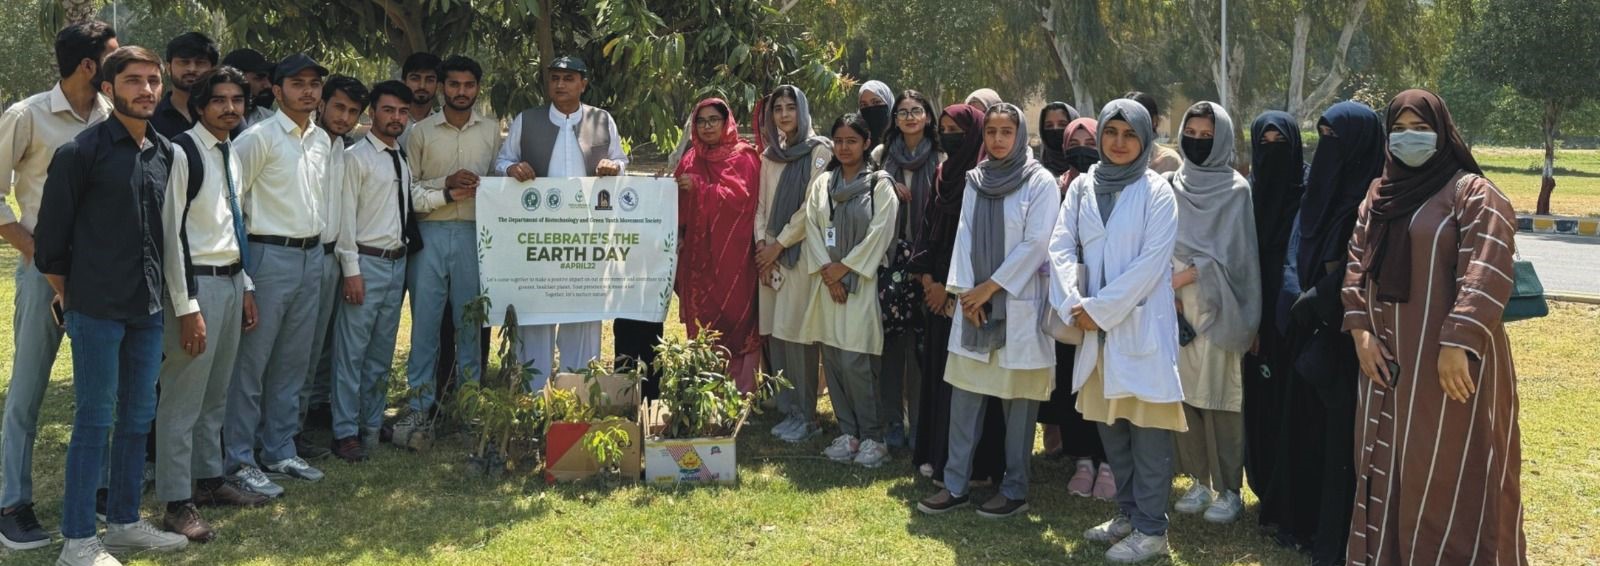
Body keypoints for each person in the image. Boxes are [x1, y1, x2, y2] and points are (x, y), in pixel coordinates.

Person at [1343, 89, 1527, 566]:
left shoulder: (1471, 193)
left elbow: (1487, 268)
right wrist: (1360, 331)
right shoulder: (1378, 195)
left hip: (1449, 368)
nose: (1409, 138)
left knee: (1450, 472)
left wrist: (1459, 341)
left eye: (1420, 128)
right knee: (1389, 469)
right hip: (1386, 365)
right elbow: (1356, 266)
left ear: (1443, 133)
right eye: (1399, 129)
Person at [35, 45, 193, 566]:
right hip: (95, 310)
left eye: (153, 80)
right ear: (108, 88)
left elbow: (168, 236)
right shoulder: (78, 154)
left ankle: (124, 524)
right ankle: (78, 540)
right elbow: (50, 247)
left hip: (146, 311)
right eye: (133, 81)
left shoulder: (165, 153)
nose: (146, 89)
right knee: (95, 419)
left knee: (137, 415)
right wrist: (72, 298)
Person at [0, 20, 116, 551]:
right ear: (89, 65)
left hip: (101, 278)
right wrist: (40, 256)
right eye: (114, 58)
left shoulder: (111, 116)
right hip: (42, 276)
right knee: (27, 391)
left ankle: (97, 493)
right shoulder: (27, 116)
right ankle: (12, 504)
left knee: (100, 390)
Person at [1053, 99, 1182, 563]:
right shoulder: (1083, 188)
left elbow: (1151, 266)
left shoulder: (1158, 191)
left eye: (1130, 135)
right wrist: (1073, 301)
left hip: (1139, 327)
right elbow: (1062, 244)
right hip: (1096, 328)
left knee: (1147, 433)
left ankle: (1152, 531)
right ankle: (1128, 514)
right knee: (1112, 428)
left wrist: (1099, 310)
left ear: (1145, 139)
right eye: (1112, 133)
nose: (1119, 143)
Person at [916, 103, 1057, 520]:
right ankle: (955, 483)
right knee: (965, 398)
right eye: (991, 131)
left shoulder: (1040, 182)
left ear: (1020, 135)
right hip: (974, 306)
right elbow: (964, 238)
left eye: (1005, 131)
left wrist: (989, 290)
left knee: (1019, 405)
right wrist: (965, 294)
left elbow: (1036, 245)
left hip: (1018, 304)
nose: (997, 139)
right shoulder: (975, 180)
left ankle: (1015, 489)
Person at [155, 66, 273, 544]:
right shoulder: (183, 151)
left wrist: (244, 284)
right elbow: (171, 233)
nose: (230, 107)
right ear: (200, 105)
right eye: (219, 100)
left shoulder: (230, 151)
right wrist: (186, 307)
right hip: (195, 286)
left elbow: (233, 222)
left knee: (215, 394)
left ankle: (207, 481)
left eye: (237, 99)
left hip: (228, 280)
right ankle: (175, 501)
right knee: (182, 399)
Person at [1273, 100, 1384, 565]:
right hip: (1308, 329)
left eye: (1337, 138)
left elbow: (1368, 262)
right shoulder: (1317, 189)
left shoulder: (1378, 196)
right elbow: (1299, 245)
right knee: (1307, 430)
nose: (1328, 148)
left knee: (1343, 441)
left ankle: (1335, 538)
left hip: (1350, 334)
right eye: (1323, 136)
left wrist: (1322, 295)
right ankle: (1299, 521)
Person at [224, 53, 333, 498]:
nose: (308, 91)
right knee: (252, 364)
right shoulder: (257, 138)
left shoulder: (322, 139)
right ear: (278, 87)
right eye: (298, 83)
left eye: (314, 84)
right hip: (268, 256)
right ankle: (239, 458)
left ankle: (280, 447)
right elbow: (232, 206)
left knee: (293, 360)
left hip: (311, 256)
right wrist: (246, 277)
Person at [492, 55, 626, 386]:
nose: (560, 84)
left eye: (568, 78)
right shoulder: (527, 119)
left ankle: (576, 397)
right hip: (539, 240)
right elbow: (502, 161)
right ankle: (532, 398)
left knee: (582, 315)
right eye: (554, 78)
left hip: (585, 239)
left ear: (583, 83)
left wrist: (614, 167)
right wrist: (511, 168)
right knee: (535, 313)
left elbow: (623, 161)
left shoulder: (602, 119)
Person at [1164, 101, 1259, 525]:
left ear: (1220, 139)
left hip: (1220, 308)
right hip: (1174, 309)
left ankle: (1229, 489)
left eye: (1207, 136)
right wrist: (1170, 289)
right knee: (1185, 398)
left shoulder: (1236, 190)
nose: (1198, 142)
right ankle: (1198, 480)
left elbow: (1239, 259)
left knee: (1222, 401)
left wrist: (1189, 276)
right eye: (1192, 133)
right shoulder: (1171, 184)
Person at [395, 55, 496, 443]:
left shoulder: (490, 131)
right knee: (425, 324)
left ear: (477, 88)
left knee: (469, 323)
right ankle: (420, 406)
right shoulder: (421, 133)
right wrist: (447, 187)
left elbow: (499, 181)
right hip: (430, 234)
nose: (461, 92)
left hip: (474, 234)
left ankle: (468, 408)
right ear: (443, 88)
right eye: (453, 84)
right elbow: (410, 191)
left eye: (468, 85)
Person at [910, 103, 1006, 488]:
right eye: (944, 128)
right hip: (937, 293)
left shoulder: (983, 180)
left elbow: (974, 245)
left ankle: (978, 465)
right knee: (937, 378)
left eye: (958, 130)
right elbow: (926, 231)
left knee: (969, 385)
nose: (949, 135)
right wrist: (929, 282)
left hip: (969, 297)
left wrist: (953, 294)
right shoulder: (941, 174)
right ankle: (938, 455)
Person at [798, 113, 898, 468]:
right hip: (828, 286)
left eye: (851, 141)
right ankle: (848, 432)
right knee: (835, 359)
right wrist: (829, 274)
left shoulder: (880, 185)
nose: (843, 147)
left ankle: (874, 437)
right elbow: (812, 226)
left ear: (866, 143)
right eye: (838, 141)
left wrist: (846, 270)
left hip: (862, 288)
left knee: (858, 361)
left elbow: (881, 234)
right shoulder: (823, 183)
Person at [330, 80, 420, 463]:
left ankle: (370, 424)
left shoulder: (400, 157)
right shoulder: (356, 157)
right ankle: (344, 431)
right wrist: (350, 269)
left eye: (402, 111)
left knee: (381, 353)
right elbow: (345, 218)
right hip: (363, 262)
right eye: (388, 110)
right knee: (352, 352)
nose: (396, 118)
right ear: (372, 113)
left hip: (396, 262)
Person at [1038, 115, 1113, 501]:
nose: (1082, 145)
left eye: (1089, 137)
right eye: (1075, 139)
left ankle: (1108, 461)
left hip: (1107, 301)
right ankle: (1082, 459)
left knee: (1102, 378)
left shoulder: (1114, 187)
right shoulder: (1055, 187)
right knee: (1069, 380)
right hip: (1067, 300)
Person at [755, 85, 833, 443]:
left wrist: (779, 244)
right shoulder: (771, 155)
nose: (784, 115)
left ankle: (807, 413)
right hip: (768, 256)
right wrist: (761, 243)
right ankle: (789, 409)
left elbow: (811, 208)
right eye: (778, 109)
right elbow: (761, 205)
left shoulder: (820, 152)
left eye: (791, 108)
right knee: (778, 334)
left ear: (802, 111)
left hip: (798, 256)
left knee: (800, 335)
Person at [296, 74, 367, 460]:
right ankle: (276, 436)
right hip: (297, 255)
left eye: (353, 111)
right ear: (322, 103)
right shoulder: (305, 143)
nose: (344, 117)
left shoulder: (343, 148)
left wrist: (347, 264)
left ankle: (294, 431)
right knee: (293, 351)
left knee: (312, 351)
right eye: (338, 107)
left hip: (330, 259)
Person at [1242, 110, 1306, 530]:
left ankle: (1290, 493)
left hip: (1294, 322)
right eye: (1263, 144)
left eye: (1279, 144)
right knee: (1259, 406)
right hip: (1255, 320)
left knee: (1290, 408)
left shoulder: (1309, 194)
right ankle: (1262, 484)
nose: (1271, 152)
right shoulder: (1245, 195)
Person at [671, 98, 762, 391]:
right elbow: (674, 206)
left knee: (737, 314)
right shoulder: (689, 158)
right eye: (701, 121)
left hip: (734, 257)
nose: (707, 126)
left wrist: (700, 188)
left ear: (727, 123)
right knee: (703, 317)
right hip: (697, 258)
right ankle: (706, 385)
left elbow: (742, 201)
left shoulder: (744, 156)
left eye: (713, 120)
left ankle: (741, 388)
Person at [872, 90, 939, 450]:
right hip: (890, 263)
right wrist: (884, 181)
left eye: (917, 111)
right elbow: (865, 190)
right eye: (903, 112)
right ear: (894, 119)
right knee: (892, 345)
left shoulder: (942, 157)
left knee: (921, 346)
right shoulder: (881, 158)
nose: (910, 117)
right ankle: (892, 422)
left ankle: (919, 423)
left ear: (928, 116)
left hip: (927, 265)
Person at [150, 32, 218, 140]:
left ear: (213, 69)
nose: (192, 69)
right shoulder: (151, 118)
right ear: (168, 68)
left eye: (200, 63)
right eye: (184, 62)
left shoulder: (224, 113)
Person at [1123, 91, 1181, 174]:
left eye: (1137, 119)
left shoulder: (1168, 161)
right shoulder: (1114, 156)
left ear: (1154, 121)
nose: (1131, 124)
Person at [220, 48, 274, 128]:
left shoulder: (271, 119)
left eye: (267, 79)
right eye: (259, 78)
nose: (268, 85)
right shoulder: (214, 119)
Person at [1036, 101, 1081, 179]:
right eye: (1049, 125)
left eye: (1062, 124)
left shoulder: (1088, 170)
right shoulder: (1035, 174)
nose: (1055, 129)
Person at [401, 52, 440, 124]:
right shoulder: (391, 121)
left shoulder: (443, 125)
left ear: (438, 84)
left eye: (429, 80)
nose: (422, 86)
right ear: (404, 82)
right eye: (415, 79)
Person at [857, 80, 894, 150]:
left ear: (889, 103)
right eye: (864, 105)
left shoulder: (903, 140)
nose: (870, 108)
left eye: (876, 102)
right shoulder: (857, 143)